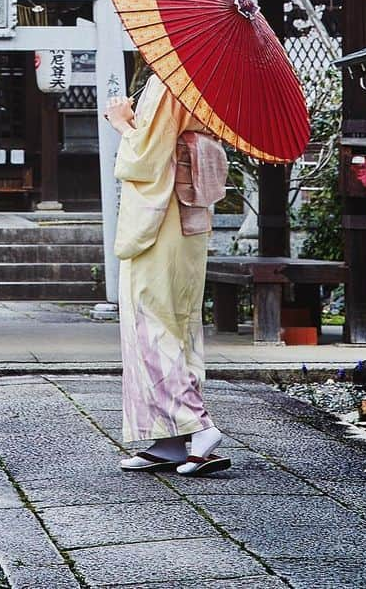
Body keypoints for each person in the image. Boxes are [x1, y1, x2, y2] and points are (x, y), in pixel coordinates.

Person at [105, 73, 231, 476]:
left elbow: (148, 157)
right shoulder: (213, 79)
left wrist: (121, 121)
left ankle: (198, 424)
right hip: (191, 218)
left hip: (164, 217)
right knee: (178, 322)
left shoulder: (171, 80)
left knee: (151, 321)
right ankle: (170, 440)